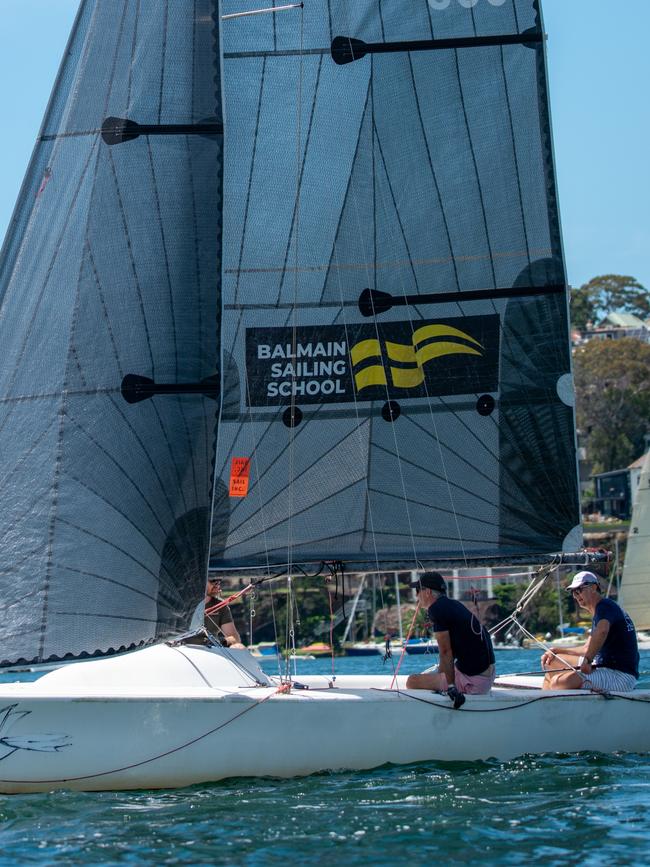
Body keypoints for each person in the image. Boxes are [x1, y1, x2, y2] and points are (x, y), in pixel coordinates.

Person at [541, 571, 638, 692]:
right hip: (604, 667)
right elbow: (587, 649)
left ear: (593, 587)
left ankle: (551, 700)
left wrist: (588, 660)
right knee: (551, 661)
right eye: (573, 592)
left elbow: (602, 631)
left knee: (558, 683)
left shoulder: (604, 606)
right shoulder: (601, 611)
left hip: (621, 677)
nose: (576, 595)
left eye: (579, 590)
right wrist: (557, 650)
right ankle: (544, 702)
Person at [405, 572, 496, 698]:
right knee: (434, 673)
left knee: (412, 681)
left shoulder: (436, 609)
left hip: (474, 681)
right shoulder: (454, 604)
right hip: (487, 676)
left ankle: (450, 683)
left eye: (418, 590)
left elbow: (446, 652)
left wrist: (450, 687)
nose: (416, 595)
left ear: (428, 592)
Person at [204, 577, 245, 649]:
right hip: (185, 650)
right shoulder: (183, 605)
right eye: (213, 581)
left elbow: (233, 637)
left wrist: (221, 642)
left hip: (211, 650)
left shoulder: (221, 606)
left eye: (219, 581)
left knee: (239, 647)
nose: (217, 585)